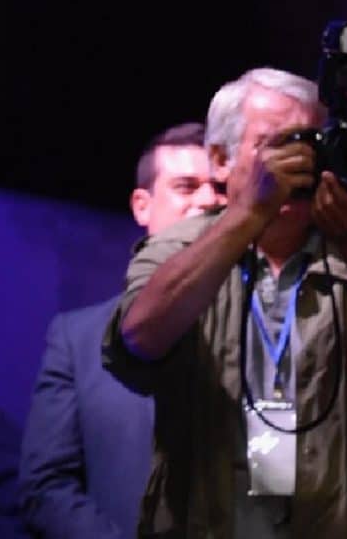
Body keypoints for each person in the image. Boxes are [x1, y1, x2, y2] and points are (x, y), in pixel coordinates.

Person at [104, 67, 347, 536]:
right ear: (220, 160)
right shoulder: (176, 248)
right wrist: (248, 214)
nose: (302, 162)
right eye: (280, 145)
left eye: (314, 145)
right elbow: (138, 340)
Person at [21, 124, 217, 537]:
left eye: (220, 188)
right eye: (186, 186)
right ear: (142, 206)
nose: (207, 200)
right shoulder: (77, 339)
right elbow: (46, 486)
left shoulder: (269, 324)